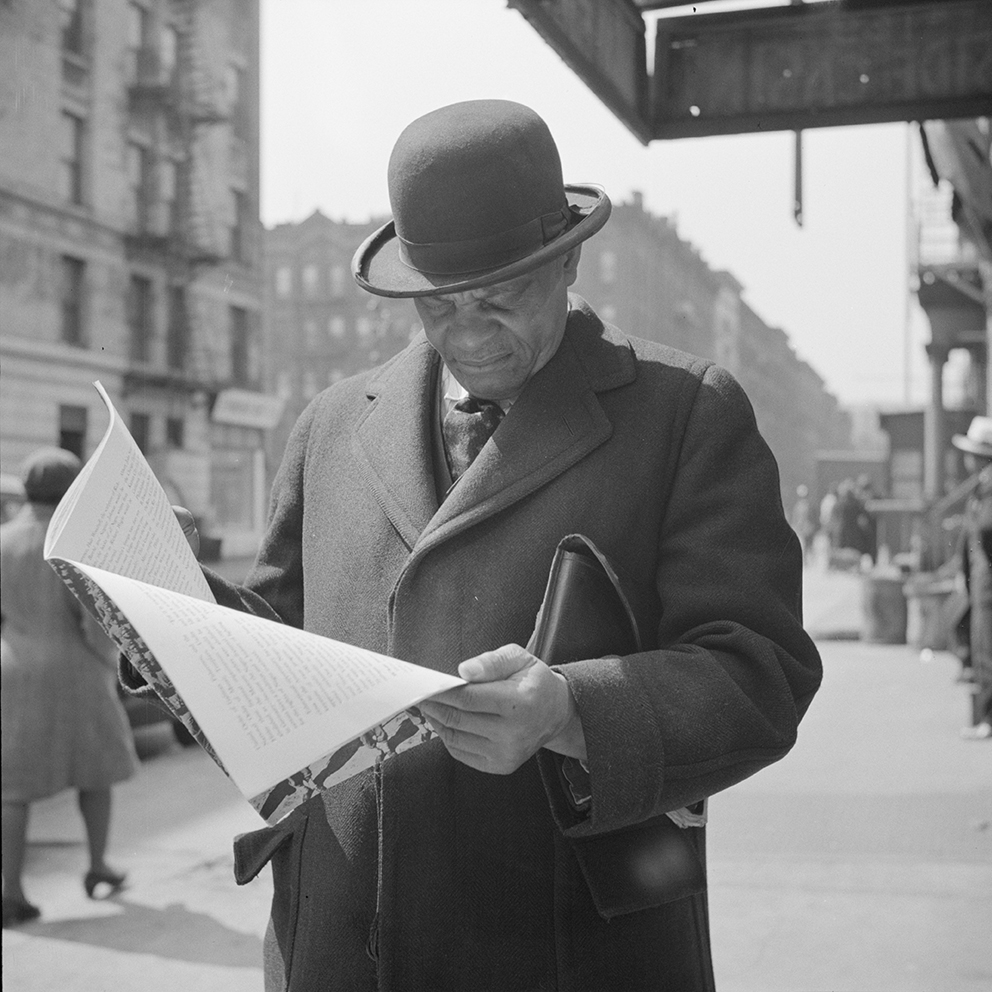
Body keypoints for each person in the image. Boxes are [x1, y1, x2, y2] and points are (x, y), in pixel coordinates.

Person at [154, 100, 822, 990]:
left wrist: (573, 710)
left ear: (568, 259)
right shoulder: (330, 427)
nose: (468, 335)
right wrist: (166, 616)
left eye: (500, 301)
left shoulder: (685, 414)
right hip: (338, 943)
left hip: (563, 947)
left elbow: (760, 671)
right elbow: (274, 647)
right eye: (439, 305)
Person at [2, 448, 137, 927]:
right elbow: (94, 625)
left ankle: (11, 890)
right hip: (77, 672)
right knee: (93, 772)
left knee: (11, 788)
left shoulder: (3, 540)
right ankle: (98, 865)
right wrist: (112, 665)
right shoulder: (72, 543)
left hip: (13, 669)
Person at [952, 417, 992, 740]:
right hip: (984, 582)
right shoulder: (986, 485)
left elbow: (987, 528)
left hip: (990, 583)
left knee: (990, 653)